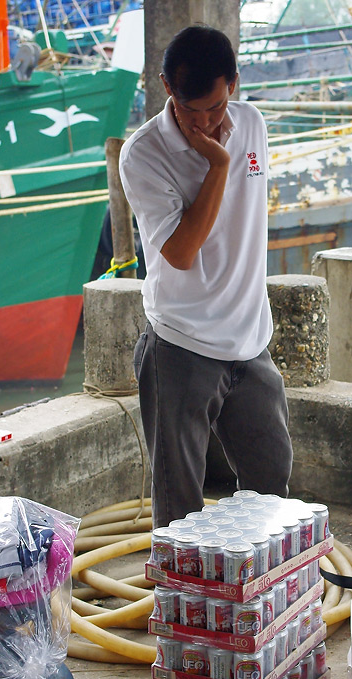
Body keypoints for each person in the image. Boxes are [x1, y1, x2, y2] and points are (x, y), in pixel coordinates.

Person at [119, 25, 293, 527]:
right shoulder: (143, 153)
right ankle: (182, 605)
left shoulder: (252, 124)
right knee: (179, 509)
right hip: (182, 344)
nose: (203, 121)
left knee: (272, 488)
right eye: (189, 109)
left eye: (215, 108)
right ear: (166, 86)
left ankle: (257, 600)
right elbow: (181, 252)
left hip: (251, 341)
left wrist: (226, 155)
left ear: (234, 84)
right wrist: (217, 165)